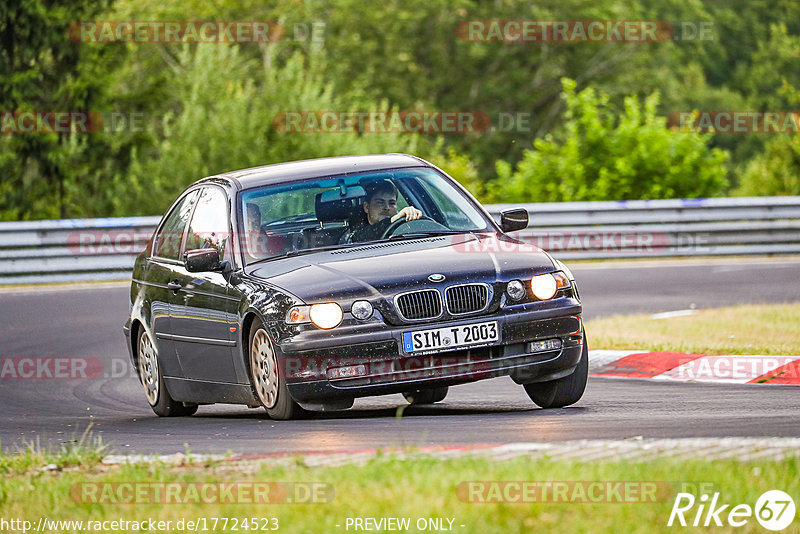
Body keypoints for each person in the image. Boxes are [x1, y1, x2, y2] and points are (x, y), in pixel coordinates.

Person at [343, 179, 422, 243]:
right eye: (380, 202)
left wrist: (413, 216)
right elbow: (360, 238)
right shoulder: (350, 235)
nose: (387, 207)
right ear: (367, 207)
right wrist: (394, 220)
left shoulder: (406, 228)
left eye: (391, 203)